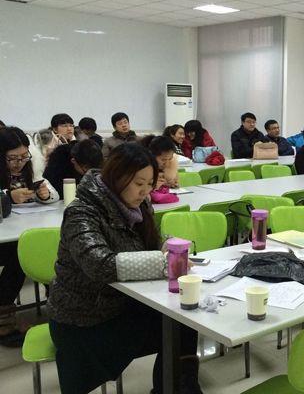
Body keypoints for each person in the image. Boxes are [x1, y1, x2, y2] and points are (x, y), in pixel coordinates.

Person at [47, 143, 204, 394]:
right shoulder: (81, 212)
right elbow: (100, 264)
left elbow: (149, 242)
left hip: (122, 304)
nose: (146, 191)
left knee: (183, 318)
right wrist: (161, 261)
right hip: (83, 321)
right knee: (176, 323)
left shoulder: (138, 205)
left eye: (150, 183)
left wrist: (166, 246)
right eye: (138, 183)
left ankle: (178, 388)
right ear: (116, 177)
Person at [0, 126, 59, 347]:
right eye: (12, 158)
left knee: (51, 246)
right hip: (5, 240)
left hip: (23, 231)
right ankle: (3, 318)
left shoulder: (29, 169)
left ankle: (58, 305)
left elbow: (53, 194)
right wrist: (8, 196)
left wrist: (45, 194)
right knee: (20, 255)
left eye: (24, 156)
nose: (19, 163)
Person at [141, 135, 180, 203]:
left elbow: (173, 182)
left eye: (169, 159)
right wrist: (151, 186)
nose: (166, 164)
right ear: (151, 154)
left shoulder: (168, 167)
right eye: (163, 160)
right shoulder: (141, 169)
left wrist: (170, 183)